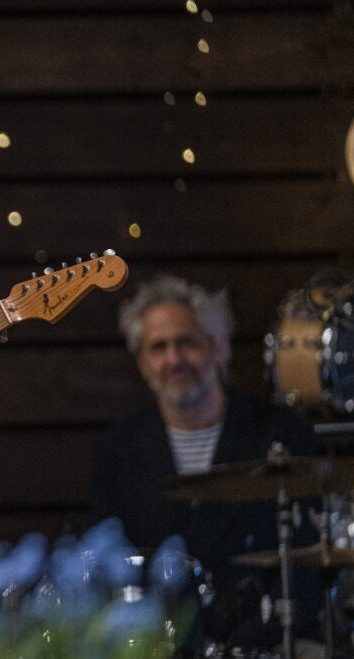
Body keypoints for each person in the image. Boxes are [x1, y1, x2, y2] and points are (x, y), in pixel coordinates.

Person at [90, 274, 319, 647]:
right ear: (142, 362)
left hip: (262, 643)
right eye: (158, 347)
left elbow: (307, 565)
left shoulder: (280, 434)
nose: (174, 359)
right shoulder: (116, 449)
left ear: (219, 347)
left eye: (187, 343)